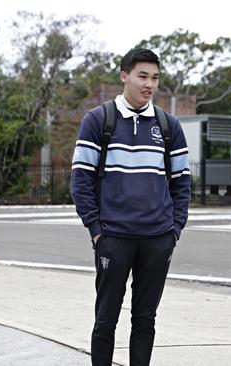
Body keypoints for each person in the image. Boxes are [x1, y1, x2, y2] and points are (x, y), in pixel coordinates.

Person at [70, 48, 191, 366]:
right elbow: (80, 181)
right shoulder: (99, 121)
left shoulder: (168, 126)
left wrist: (174, 230)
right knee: (105, 320)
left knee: (145, 319)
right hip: (113, 237)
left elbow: (182, 183)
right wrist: (97, 231)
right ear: (124, 76)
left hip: (157, 238)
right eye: (142, 76)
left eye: (155, 78)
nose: (149, 84)